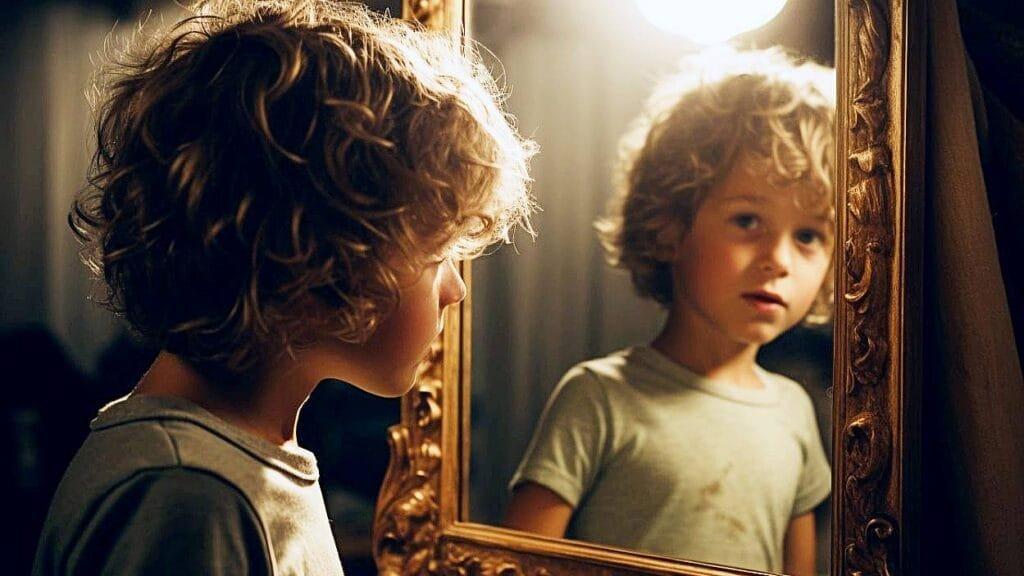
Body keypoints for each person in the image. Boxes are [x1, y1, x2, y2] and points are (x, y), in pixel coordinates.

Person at [33, 1, 535, 574]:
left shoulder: (239, 459)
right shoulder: (190, 496)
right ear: (318, 265)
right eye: (436, 257)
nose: (455, 291)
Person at [503, 47, 834, 576]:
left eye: (809, 235)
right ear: (670, 228)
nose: (779, 260)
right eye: (748, 220)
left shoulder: (795, 412)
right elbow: (513, 565)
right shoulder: (598, 398)